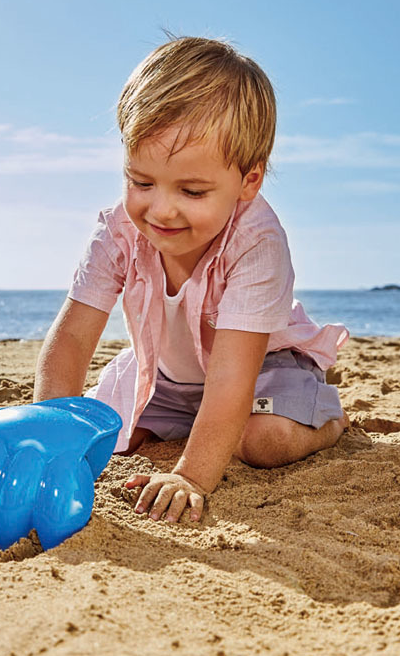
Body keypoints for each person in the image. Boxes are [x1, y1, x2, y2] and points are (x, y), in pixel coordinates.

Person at [34, 35, 349, 524]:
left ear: (249, 181)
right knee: (106, 437)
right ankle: (185, 423)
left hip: (259, 368)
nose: (160, 210)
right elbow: (72, 339)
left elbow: (231, 379)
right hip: (167, 375)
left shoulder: (257, 244)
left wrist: (191, 476)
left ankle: (326, 418)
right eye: (141, 182)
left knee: (260, 440)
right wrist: (49, 446)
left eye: (193, 190)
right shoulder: (117, 230)